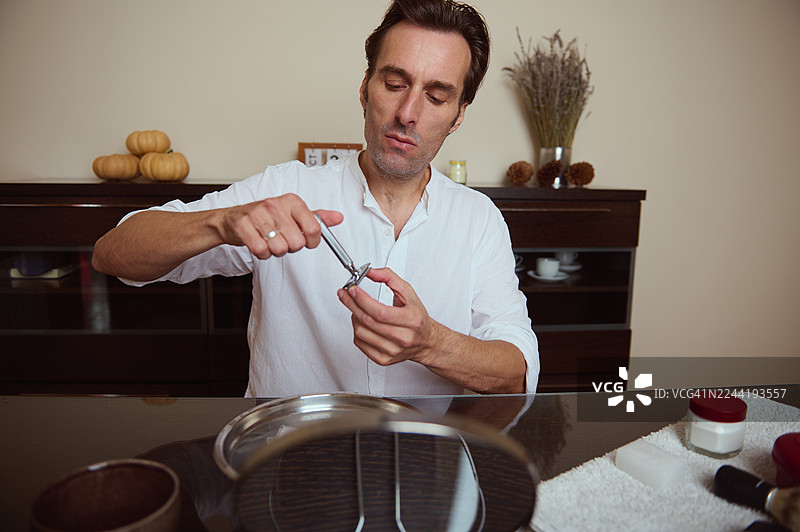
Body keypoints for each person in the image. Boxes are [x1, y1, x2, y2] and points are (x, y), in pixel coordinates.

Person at [92, 0, 539, 397]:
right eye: (394, 84)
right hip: (288, 454)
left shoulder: (479, 219)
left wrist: (430, 343)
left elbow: (517, 373)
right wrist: (222, 223)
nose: (408, 114)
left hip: (426, 458)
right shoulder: (283, 189)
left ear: (458, 116)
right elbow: (113, 255)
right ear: (364, 89)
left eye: (436, 96)